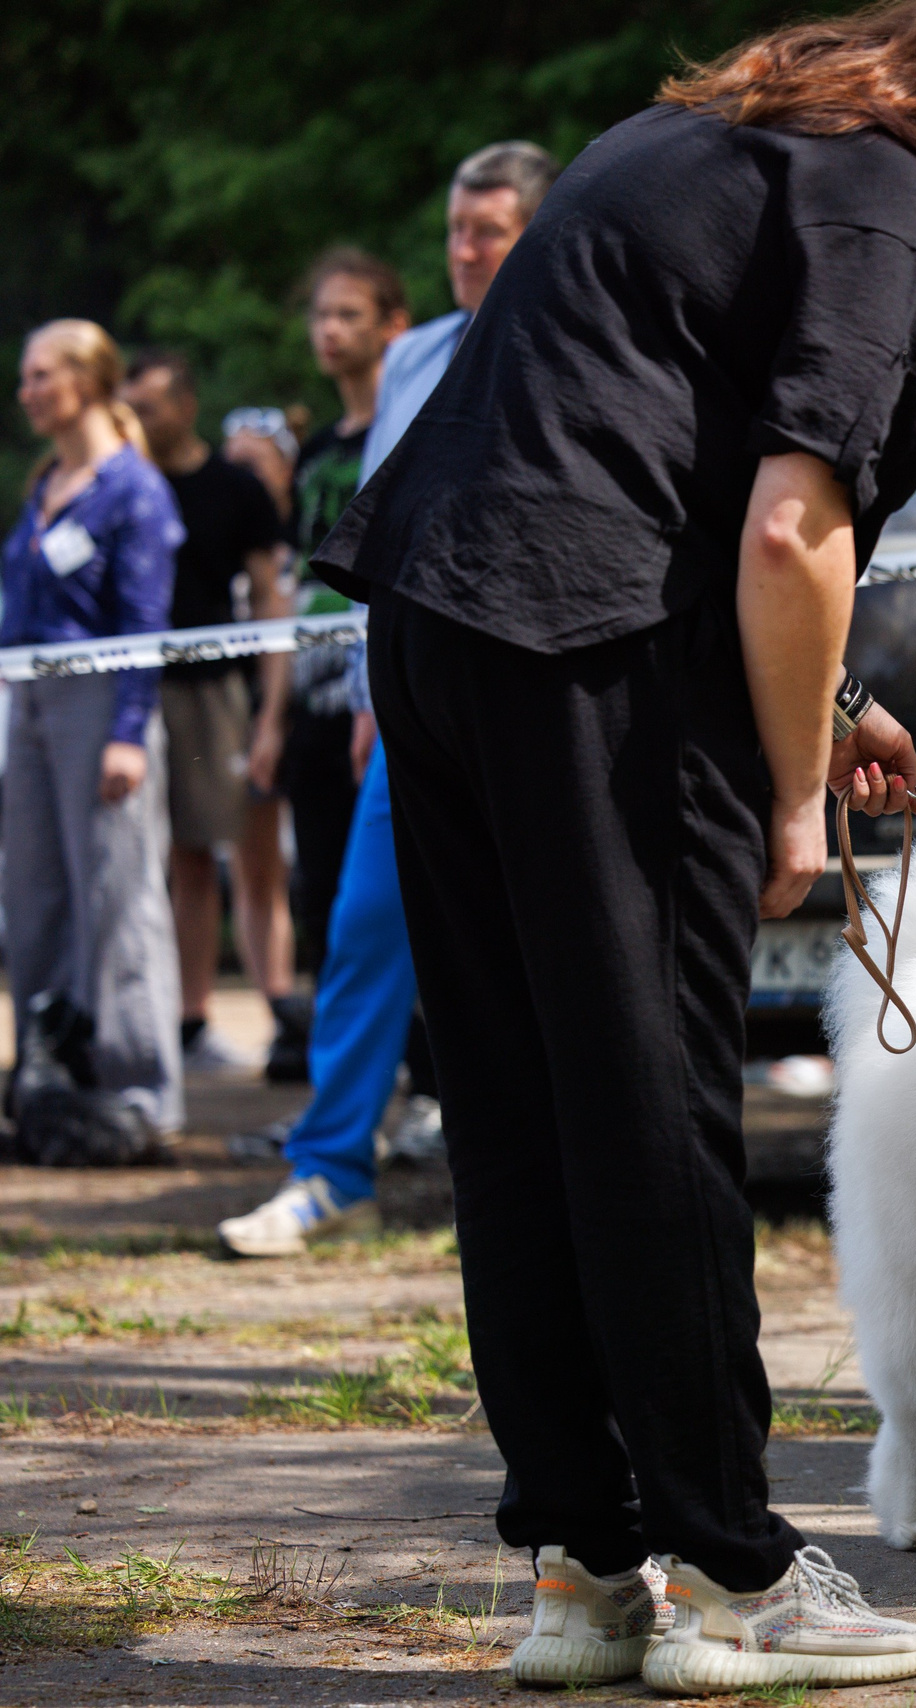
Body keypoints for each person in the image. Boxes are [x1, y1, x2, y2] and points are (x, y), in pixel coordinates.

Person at [310, 1, 916, 1691]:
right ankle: (731, 1577)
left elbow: (660, 458)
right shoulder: (891, 196)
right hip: (589, 653)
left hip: (440, 628)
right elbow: (788, 517)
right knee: (649, 1109)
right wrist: (789, 791)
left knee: (522, 1109)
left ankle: (583, 1564)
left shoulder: (705, 138)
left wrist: (826, 695)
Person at [219, 142, 559, 1259]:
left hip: (537, 692)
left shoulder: (585, 328)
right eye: (457, 230)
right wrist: (374, 687)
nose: (466, 251)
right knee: (365, 926)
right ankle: (329, 1170)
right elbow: (387, 526)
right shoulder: (414, 354)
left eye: (490, 230)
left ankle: (549, 1177)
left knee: (541, 942)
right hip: (407, 693)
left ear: (539, 232)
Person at [3, 322, 187, 1135]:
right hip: (31, 703)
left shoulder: (133, 489)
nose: (27, 392)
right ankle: (47, 1072)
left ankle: (139, 1087)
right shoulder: (47, 482)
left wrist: (128, 730)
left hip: (101, 702)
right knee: (35, 894)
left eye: (41, 376)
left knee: (116, 893)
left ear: (88, 379)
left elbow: (146, 620)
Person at [118, 350, 297, 1072]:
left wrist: (270, 713)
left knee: (239, 855)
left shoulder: (235, 490)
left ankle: (271, 1010)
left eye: (151, 406)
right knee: (169, 860)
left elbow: (271, 601)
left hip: (216, 694)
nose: (139, 420)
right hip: (134, 687)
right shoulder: (125, 486)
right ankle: (176, 1019)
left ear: (186, 405)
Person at [283, 249, 409, 990]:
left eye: (347, 314)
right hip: (312, 688)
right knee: (324, 877)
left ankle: (426, 1075)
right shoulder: (318, 451)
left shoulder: (408, 430)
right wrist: (270, 720)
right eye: (320, 315)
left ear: (394, 326)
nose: (328, 330)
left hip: (383, 677)